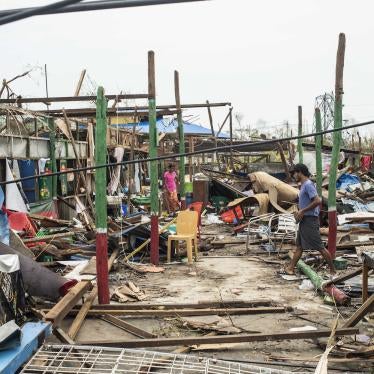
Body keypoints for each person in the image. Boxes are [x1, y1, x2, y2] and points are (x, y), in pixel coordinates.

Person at [285, 163, 336, 276]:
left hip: (309, 220)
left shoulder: (308, 184)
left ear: (300, 172)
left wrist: (302, 211)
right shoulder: (303, 185)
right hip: (304, 220)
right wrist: (299, 211)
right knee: (300, 246)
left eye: (294, 173)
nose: (293, 176)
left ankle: (333, 270)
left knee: (320, 247)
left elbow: (318, 201)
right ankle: (290, 268)